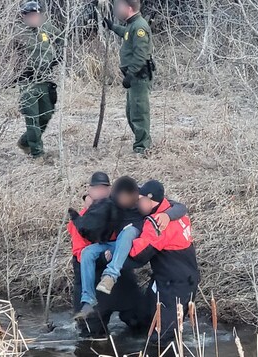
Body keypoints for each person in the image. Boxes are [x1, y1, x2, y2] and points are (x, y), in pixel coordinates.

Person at [69, 177, 187, 320]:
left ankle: (111, 275)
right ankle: (88, 300)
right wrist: (88, 201)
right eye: (121, 197)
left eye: (128, 197)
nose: (124, 200)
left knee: (129, 231)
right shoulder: (112, 200)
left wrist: (167, 215)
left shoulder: (143, 199)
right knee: (88, 252)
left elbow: (179, 207)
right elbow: (92, 215)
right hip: (118, 245)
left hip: (137, 240)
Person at [68, 172, 147, 339]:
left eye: (104, 188)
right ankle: (88, 304)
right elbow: (80, 254)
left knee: (141, 323)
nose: (101, 192)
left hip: (121, 280)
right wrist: (104, 257)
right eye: (96, 188)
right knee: (92, 336)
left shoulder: (120, 207)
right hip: (92, 277)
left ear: (110, 190)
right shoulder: (83, 218)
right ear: (89, 191)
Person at [129, 180, 199, 347]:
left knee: (161, 340)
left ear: (151, 201)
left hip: (175, 286)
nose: (137, 203)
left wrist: (119, 248)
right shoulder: (171, 210)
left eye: (140, 200)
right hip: (169, 279)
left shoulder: (157, 224)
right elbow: (179, 206)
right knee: (142, 320)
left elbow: (138, 256)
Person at [103, 0, 155, 155]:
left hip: (138, 76)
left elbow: (140, 56)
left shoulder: (139, 26)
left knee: (139, 112)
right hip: (133, 78)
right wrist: (112, 27)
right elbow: (126, 34)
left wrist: (131, 74)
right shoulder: (131, 25)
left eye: (120, 7)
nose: (117, 10)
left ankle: (142, 147)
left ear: (129, 8)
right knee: (131, 112)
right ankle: (142, 142)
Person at [14, 1, 62, 160]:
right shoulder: (18, 33)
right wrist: (16, 73)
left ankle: (25, 141)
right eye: (32, 16)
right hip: (28, 82)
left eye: (37, 15)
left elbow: (62, 37)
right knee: (32, 118)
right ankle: (37, 154)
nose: (35, 18)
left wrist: (58, 58)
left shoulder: (46, 28)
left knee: (46, 115)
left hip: (46, 80)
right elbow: (7, 57)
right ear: (24, 16)